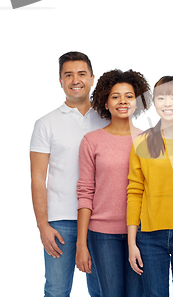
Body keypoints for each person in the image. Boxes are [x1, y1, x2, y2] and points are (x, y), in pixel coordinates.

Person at [30, 51, 104, 297]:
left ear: (92, 78)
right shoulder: (45, 123)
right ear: (60, 81)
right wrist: (43, 225)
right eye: (68, 75)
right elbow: (37, 179)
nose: (75, 80)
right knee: (57, 291)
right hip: (61, 222)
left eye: (82, 74)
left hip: (101, 220)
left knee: (105, 291)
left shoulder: (107, 119)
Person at [75, 69, 151, 297]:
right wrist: (81, 243)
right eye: (115, 96)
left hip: (140, 232)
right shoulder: (92, 141)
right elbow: (85, 193)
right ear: (105, 103)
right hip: (102, 234)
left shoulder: (149, 140)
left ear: (137, 102)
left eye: (129, 96)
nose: (123, 101)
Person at [127, 76, 173, 297]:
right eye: (161, 97)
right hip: (149, 237)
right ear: (153, 101)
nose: (167, 103)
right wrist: (132, 242)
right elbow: (134, 192)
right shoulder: (142, 141)